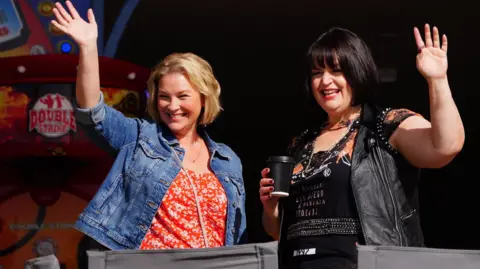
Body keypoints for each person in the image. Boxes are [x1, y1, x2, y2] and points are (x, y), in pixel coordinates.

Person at [259, 24, 464, 268]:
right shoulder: (301, 142)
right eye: (316, 73)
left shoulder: (384, 125)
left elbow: (445, 147)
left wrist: (437, 80)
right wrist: (270, 206)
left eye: (336, 70)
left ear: (357, 71)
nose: (325, 81)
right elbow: (277, 231)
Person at [51, 1, 247, 250]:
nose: (172, 106)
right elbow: (92, 113)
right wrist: (88, 47)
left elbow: (238, 236)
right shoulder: (140, 137)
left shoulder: (228, 159)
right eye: (164, 96)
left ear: (204, 97)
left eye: (183, 96)